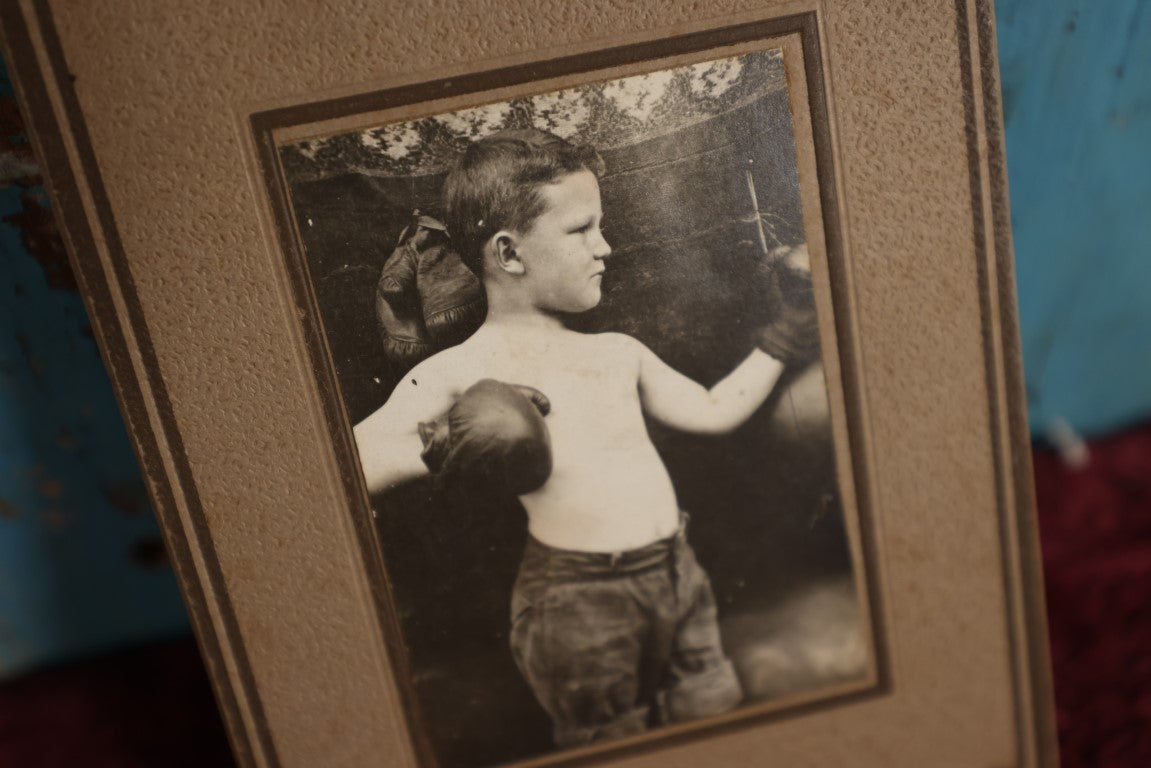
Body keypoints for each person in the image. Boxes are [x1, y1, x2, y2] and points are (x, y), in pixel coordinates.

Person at [353, 128, 818, 747]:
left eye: (600, 227)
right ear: (509, 254)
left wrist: (782, 337)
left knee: (716, 718)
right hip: (576, 604)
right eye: (581, 230)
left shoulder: (615, 352)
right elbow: (344, 465)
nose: (606, 247)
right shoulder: (455, 373)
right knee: (609, 741)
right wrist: (441, 444)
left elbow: (712, 412)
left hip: (678, 575)